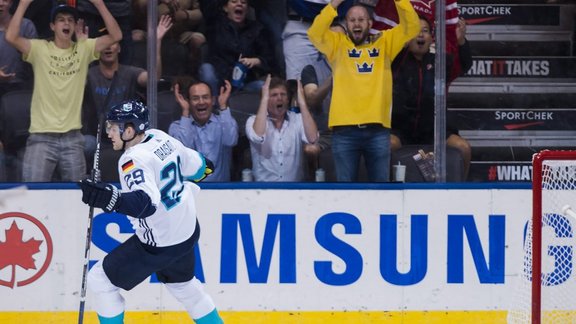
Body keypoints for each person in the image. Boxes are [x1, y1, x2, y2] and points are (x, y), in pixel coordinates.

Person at [78, 100, 223, 324]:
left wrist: (108, 198)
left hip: (160, 242)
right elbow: (203, 167)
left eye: (113, 128)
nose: (109, 133)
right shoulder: (160, 137)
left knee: (100, 281)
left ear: (129, 130)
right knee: (183, 286)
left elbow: (144, 205)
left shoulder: (132, 159)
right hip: (186, 232)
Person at [5, 0, 122, 182]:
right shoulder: (39, 48)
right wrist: (23, 4)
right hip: (40, 138)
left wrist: (99, 4)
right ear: (52, 26)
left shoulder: (84, 48)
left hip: (73, 139)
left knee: (78, 198)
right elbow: (11, 37)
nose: (66, 23)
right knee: (33, 197)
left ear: (75, 26)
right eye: (61, 20)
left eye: (70, 20)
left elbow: (116, 34)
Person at [307, 0, 419, 182]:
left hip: (378, 131)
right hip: (344, 132)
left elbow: (412, 27)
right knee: (345, 192)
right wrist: (334, 4)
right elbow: (314, 33)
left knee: (380, 192)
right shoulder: (337, 45)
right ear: (346, 24)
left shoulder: (385, 43)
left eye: (361, 19)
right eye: (352, 20)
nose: (357, 24)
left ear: (370, 23)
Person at [82, 14, 173, 169]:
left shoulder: (129, 72)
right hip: (98, 139)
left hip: (128, 137)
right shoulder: (90, 74)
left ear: (119, 48)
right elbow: (73, 82)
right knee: (83, 145)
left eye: (113, 43)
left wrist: (157, 42)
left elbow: (154, 78)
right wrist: (83, 50)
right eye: (104, 43)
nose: (109, 47)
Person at [391, 16, 473, 178]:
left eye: (425, 31)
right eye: (416, 31)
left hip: (434, 130)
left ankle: (462, 190)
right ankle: (387, 190)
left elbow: (464, 65)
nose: (420, 35)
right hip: (401, 129)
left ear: (431, 38)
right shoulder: (397, 60)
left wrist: (461, 41)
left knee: (463, 148)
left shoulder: (440, 62)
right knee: (385, 145)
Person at [246, 74, 318, 181]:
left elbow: (313, 138)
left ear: (287, 99)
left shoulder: (298, 119)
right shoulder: (252, 121)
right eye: (274, 95)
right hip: (263, 191)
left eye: (283, 94)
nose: (279, 98)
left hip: (293, 190)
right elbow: (257, 136)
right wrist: (264, 98)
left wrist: (302, 103)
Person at [199, 0, 276, 95]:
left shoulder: (257, 29)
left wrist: (256, 61)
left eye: (243, 2)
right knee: (207, 69)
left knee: (264, 86)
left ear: (247, 9)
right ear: (225, 8)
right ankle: (214, 106)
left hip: (244, 84)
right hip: (219, 80)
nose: (239, 4)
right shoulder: (214, 24)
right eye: (234, 1)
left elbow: (270, 59)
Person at [169, 79, 239, 182]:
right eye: (195, 98)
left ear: (213, 100)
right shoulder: (176, 127)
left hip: (223, 191)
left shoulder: (224, 122)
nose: (201, 102)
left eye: (205, 97)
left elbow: (231, 140)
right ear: (188, 101)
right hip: (191, 190)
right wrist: (185, 111)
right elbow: (182, 151)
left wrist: (223, 107)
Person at [0, 0, 37, 98]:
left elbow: (38, 60)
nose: (0, 3)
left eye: (5, 0)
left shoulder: (26, 26)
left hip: (21, 88)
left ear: (11, 3)